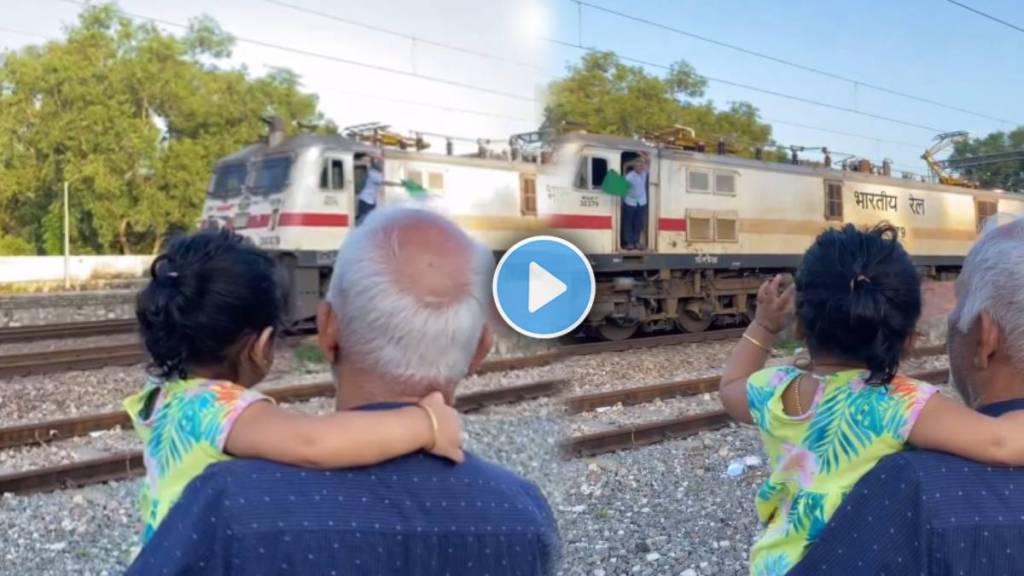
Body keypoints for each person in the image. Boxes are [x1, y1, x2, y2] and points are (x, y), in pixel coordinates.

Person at [126, 207, 561, 575]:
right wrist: (425, 423)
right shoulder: (526, 517)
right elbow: (311, 441)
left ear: (327, 329)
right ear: (481, 347)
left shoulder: (226, 498)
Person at [717, 222, 1024, 576]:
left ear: (801, 326)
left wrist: (764, 327)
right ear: (909, 338)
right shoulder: (902, 403)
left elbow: (731, 388)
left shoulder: (777, 387)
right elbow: (1000, 441)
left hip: (774, 562)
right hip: (848, 558)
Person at [125, 229, 464, 545]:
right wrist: (425, 424)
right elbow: (313, 443)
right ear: (262, 344)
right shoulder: (215, 407)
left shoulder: (167, 397)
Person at [355, 156, 402, 225]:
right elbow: (384, 182)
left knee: (370, 220)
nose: (382, 165)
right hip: (365, 200)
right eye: (380, 163)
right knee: (363, 220)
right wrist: (398, 184)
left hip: (371, 201)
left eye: (382, 163)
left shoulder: (377, 173)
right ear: (376, 165)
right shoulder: (373, 173)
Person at [622, 157, 648, 250]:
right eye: (638, 166)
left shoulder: (644, 174)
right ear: (634, 167)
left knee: (638, 223)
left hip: (641, 202)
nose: (640, 168)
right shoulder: (629, 177)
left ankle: (636, 241)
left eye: (642, 166)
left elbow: (649, 163)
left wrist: (645, 156)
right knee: (628, 223)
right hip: (630, 202)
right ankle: (629, 242)